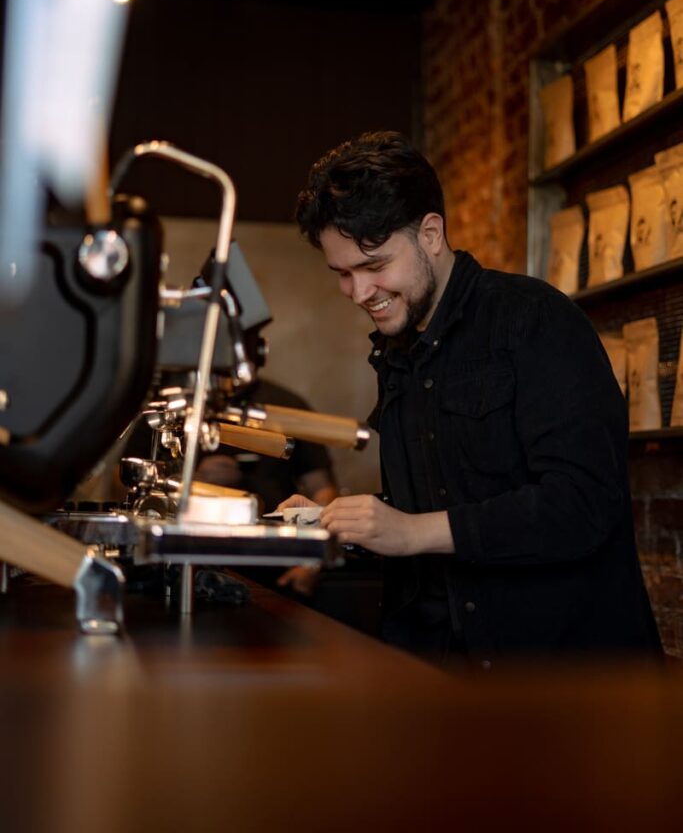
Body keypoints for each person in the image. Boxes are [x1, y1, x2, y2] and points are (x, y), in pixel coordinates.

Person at [281, 129, 662, 667]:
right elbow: (437, 504)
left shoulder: (534, 319)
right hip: (440, 670)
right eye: (342, 274)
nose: (359, 293)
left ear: (431, 233)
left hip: (561, 683)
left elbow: (581, 504)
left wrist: (410, 531)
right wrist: (341, 524)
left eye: (374, 266)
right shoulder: (398, 353)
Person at [196, 377, 338, 595]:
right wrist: (196, 479)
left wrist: (311, 563)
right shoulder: (181, 404)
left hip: (275, 568)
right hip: (195, 559)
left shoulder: (285, 405)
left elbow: (322, 489)